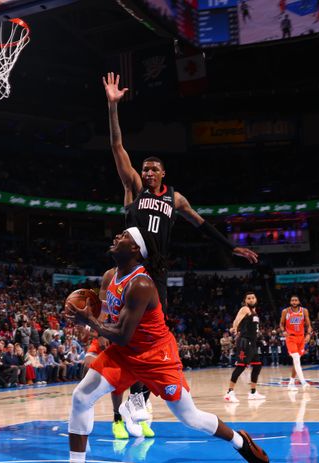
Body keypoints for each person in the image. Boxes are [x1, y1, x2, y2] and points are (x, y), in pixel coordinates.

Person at [41, 228, 270, 463]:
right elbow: (107, 319)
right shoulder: (109, 276)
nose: (117, 237)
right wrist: (90, 320)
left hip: (156, 356)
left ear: (136, 249)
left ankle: (240, 442)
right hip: (125, 353)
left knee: (190, 417)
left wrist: (89, 321)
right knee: (81, 396)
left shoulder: (141, 284)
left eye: (124, 236)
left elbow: (124, 334)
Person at [102, 71, 259, 436]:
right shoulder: (134, 190)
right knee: (126, 333)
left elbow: (202, 225)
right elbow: (117, 147)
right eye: (145, 168)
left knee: (154, 336)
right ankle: (126, 394)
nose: (148, 172)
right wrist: (113, 107)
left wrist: (231, 246)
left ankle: (139, 398)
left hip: (156, 274)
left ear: (164, 173)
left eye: (153, 168)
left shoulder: (176, 199)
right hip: (130, 270)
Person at [224, 292, 265, 402]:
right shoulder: (245, 309)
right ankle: (229, 392)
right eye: (249, 298)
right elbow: (237, 320)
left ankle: (252, 392)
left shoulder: (254, 311)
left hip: (253, 342)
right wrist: (234, 328)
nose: (251, 300)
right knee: (241, 366)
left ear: (256, 299)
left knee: (257, 366)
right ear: (245, 300)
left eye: (253, 298)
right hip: (245, 342)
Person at [280, 295, 312, 391]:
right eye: (292, 300)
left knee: (296, 361)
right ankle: (303, 382)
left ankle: (291, 382)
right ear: (290, 302)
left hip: (301, 338)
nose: (294, 302)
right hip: (291, 338)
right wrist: (283, 331)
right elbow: (281, 324)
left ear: (298, 302)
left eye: (296, 300)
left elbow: (309, 325)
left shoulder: (304, 311)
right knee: (296, 359)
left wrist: (309, 334)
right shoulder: (285, 311)